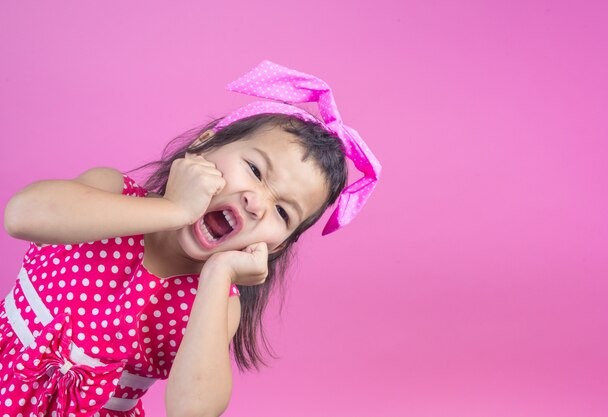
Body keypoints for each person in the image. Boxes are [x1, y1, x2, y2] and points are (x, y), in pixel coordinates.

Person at [0, 60, 381, 417]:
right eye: (254, 169)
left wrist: (218, 278)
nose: (256, 202)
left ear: (277, 245)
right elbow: (22, 216)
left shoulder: (215, 303)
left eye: (283, 213)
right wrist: (175, 210)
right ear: (203, 144)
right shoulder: (111, 192)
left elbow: (191, 410)